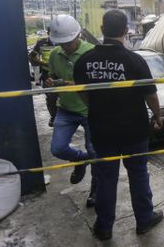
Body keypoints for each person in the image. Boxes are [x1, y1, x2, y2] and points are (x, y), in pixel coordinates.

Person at [74, 10, 164, 241]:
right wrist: (157, 116)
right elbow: (151, 95)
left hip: (102, 130)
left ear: (102, 30)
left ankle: (104, 227)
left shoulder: (84, 62)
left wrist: (99, 109)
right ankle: (144, 220)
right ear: (126, 31)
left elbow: (85, 97)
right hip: (134, 129)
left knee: (106, 178)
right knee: (138, 174)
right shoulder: (135, 60)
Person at [46, 15, 97, 207]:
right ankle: (81, 160)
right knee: (57, 148)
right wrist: (50, 81)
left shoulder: (91, 53)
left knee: (95, 151)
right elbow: (51, 75)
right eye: (62, 43)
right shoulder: (54, 55)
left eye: (68, 42)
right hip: (66, 109)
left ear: (78, 35)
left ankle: (96, 190)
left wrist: (74, 84)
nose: (65, 46)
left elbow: (98, 84)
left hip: (89, 110)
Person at [28, 27, 58, 127]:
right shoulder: (41, 43)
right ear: (48, 33)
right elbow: (31, 57)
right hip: (47, 74)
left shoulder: (64, 41)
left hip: (61, 73)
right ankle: (54, 117)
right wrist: (44, 63)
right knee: (51, 97)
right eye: (52, 32)